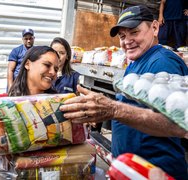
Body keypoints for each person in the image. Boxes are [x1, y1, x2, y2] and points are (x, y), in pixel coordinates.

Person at [60, 5, 188, 180]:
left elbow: (176, 124)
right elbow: (134, 106)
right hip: (132, 170)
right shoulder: (136, 61)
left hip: (156, 171)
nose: (127, 41)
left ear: (155, 27)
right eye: (122, 36)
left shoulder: (162, 63)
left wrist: (113, 110)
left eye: (134, 32)